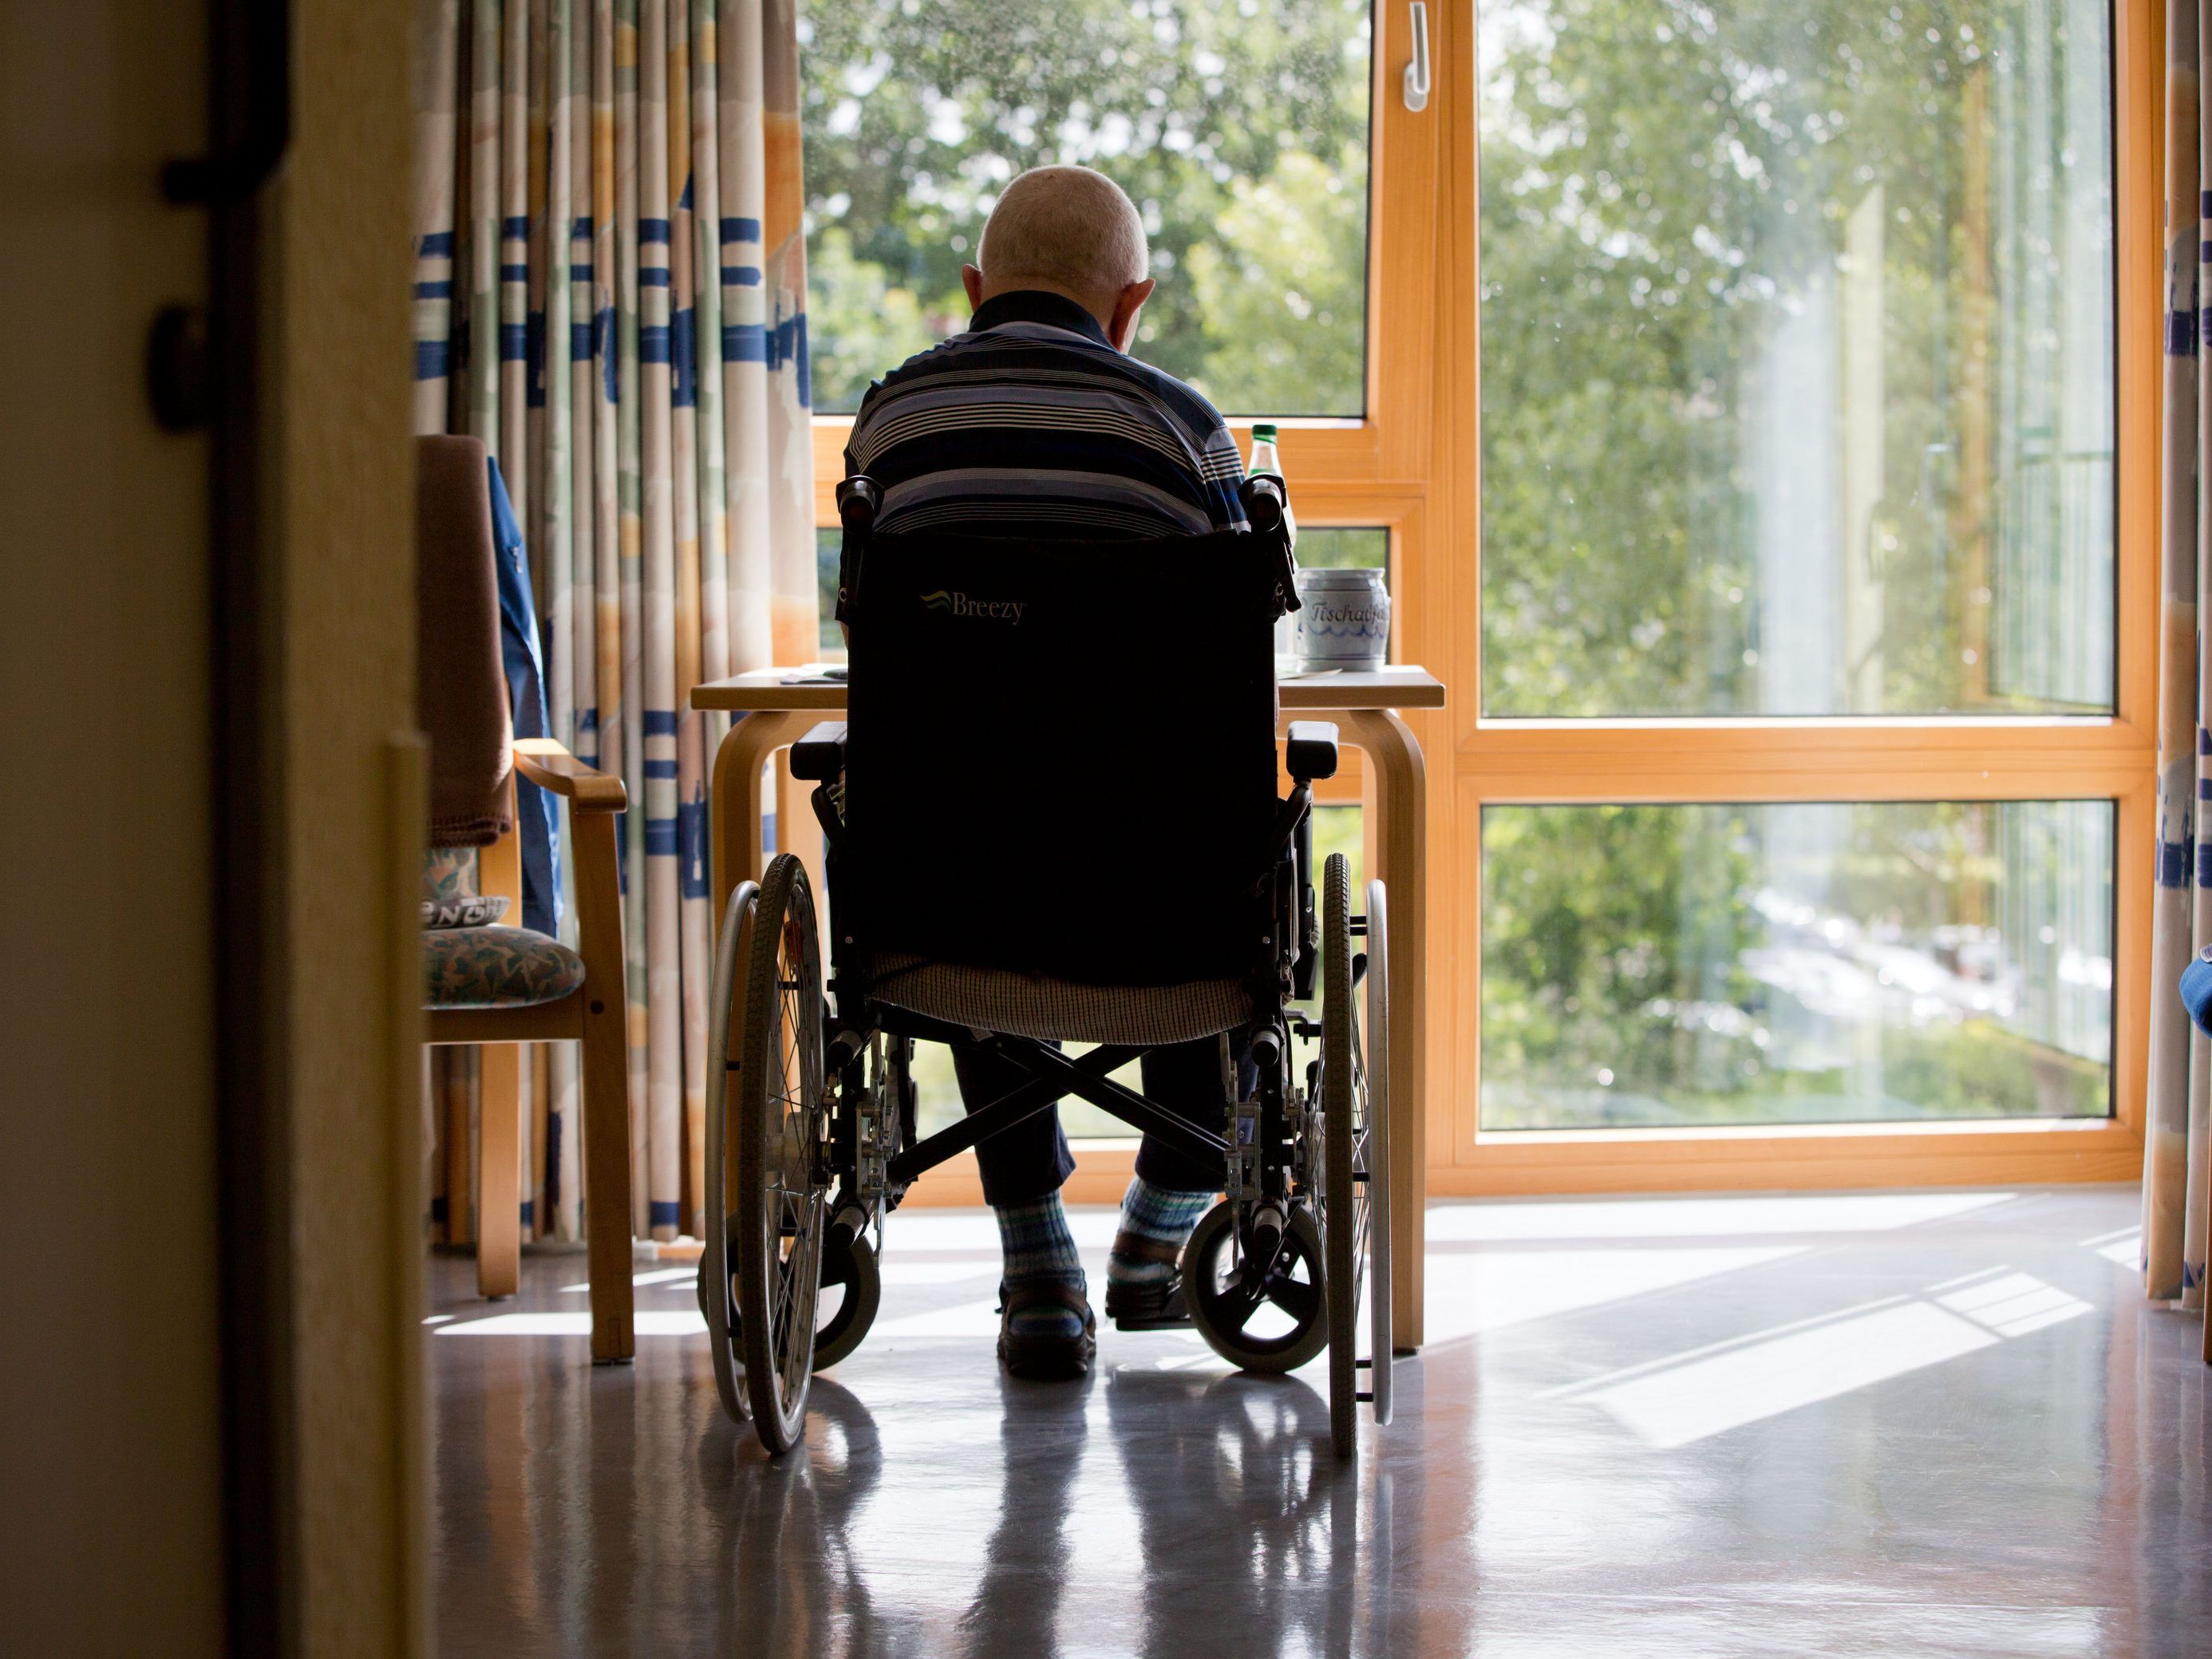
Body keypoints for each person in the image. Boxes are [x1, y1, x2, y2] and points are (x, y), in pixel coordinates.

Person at [844, 164, 1255, 1380]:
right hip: (1155, 911)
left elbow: (877, 641)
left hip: (946, 902)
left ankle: (1035, 1262)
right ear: (1130, 306)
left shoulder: (892, 429)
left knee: (965, 789)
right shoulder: (1184, 435)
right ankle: (1167, 1220)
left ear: (976, 289)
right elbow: (1232, 675)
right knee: (1199, 807)